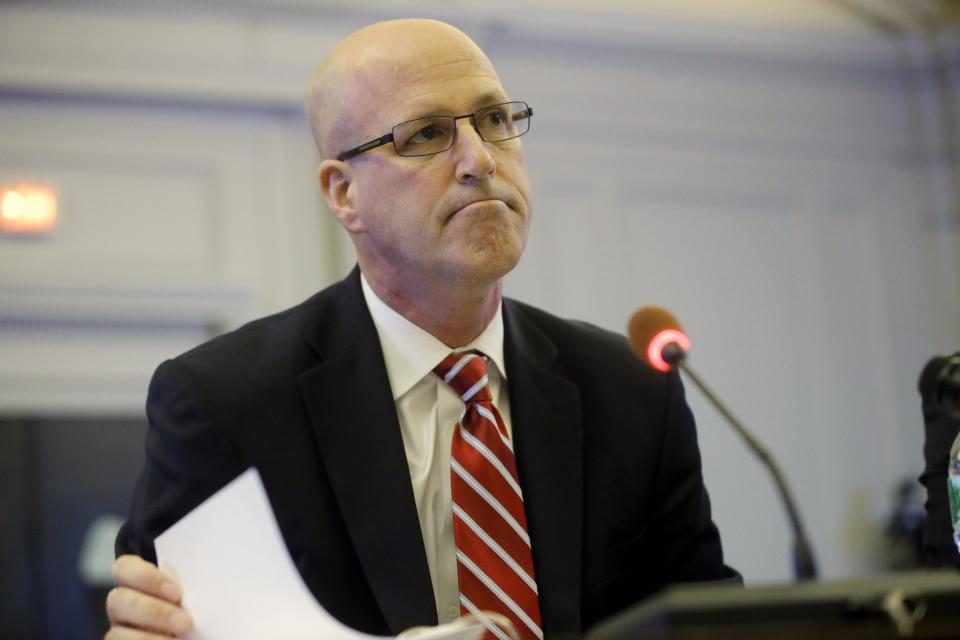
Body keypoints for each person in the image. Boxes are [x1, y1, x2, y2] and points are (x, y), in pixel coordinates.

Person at [106, 18, 734, 640]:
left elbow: (706, 619)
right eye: (428, 134)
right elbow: (157, 621)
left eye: (495, 120)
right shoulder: (225, 403)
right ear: (344, 194)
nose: (480, 160)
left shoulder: (630, 388)